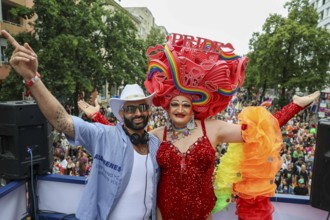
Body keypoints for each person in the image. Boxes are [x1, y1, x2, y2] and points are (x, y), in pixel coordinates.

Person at [80, 32, 320, 219]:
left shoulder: (213, 128)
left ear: (194, 106)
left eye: (186, 105)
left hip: (202, 215)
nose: (180, 109)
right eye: (175, 104)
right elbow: (123, 136)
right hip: (164, 215)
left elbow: (259, 130)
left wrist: (295, 106)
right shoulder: (157, 134)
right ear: (167, 107)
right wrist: (98, 117)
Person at [1, 30, 160, 220]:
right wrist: (32, 78)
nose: (138, 113)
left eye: (142, 107)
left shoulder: (155, 145)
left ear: (149, 110)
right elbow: (62, 121)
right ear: (122, 113)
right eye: (131, 109)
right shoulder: (105, 137)